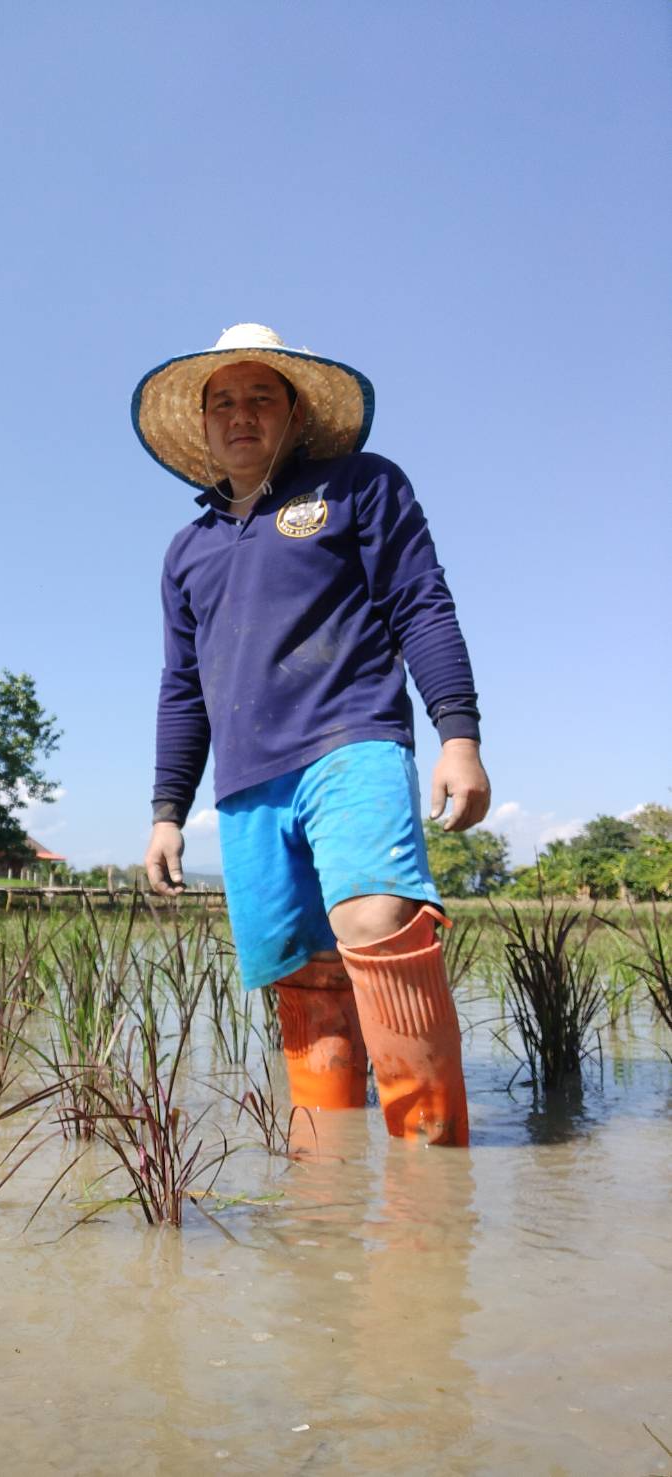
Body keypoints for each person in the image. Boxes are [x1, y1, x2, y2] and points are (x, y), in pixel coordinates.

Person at [131, 323, 490, 1147]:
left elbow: (422, 603)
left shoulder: (360, 486)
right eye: (223, 401)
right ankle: (326, 1185)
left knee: (373, 920)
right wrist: (165, 811)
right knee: (303, 970)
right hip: (247, 782)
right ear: (205, 425)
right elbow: (181, 686)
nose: (241, 414)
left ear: (297, 414)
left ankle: (432, 1173)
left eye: (262, 396)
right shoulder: (187, 552)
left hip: (350, 739)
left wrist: (458, 734)